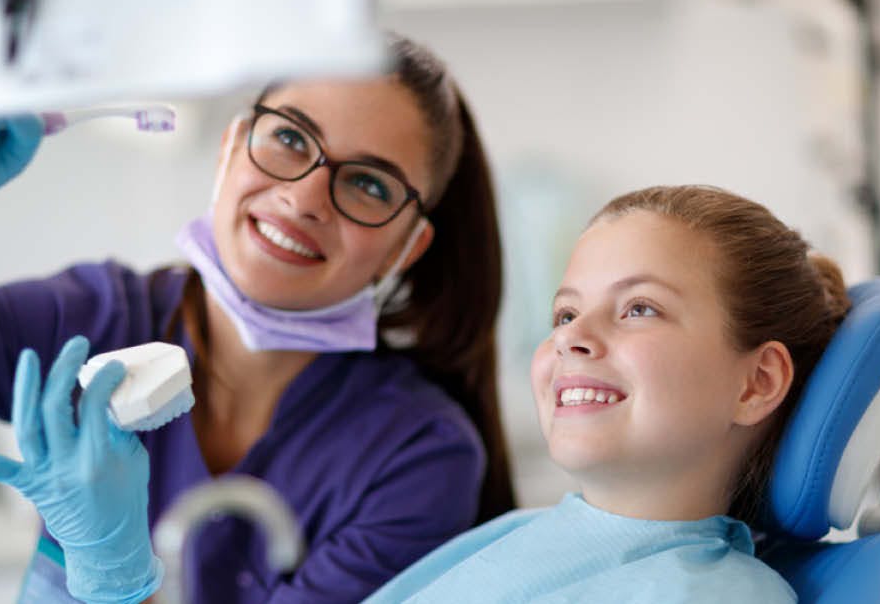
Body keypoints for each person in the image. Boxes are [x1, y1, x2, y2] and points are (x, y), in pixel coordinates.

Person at [0, 34, 516, 603]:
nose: (305, 197)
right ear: (232, 147)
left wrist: (114, 574)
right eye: (290, 137)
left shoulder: (416, 455)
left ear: (404, 248)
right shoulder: (94, 318)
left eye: (368, 183)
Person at [362, 184, 850, 602]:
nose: (569, 338)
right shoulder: (507, 535)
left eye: (639, 309)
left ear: (757, 382)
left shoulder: (714, 593)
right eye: (566, 314)